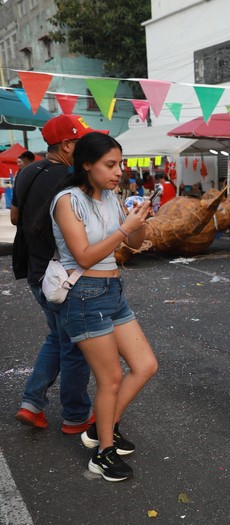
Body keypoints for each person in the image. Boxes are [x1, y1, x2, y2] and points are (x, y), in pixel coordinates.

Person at [48, 132, 158, 481]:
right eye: (110, 165)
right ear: (86, 164)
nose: (118, 172)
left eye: (119, 164)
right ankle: (103, 454)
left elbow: (135, 244)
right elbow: (83, 255)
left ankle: (100, 429)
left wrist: (138, 222)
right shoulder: (67, 201)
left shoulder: (111, 197)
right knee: (109, 378)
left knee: (145, 365)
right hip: (84, 294)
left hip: (113, 290)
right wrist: (125, 229)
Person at [10, 114, 104, 435]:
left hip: (38, 276)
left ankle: (32, 404)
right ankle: (76, 416)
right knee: (76, 345)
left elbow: (14, 219)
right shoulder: (71, 178)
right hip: (65, 278)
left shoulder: (24, 174)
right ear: (67, 145)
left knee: (58, 337)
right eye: (83, 142)